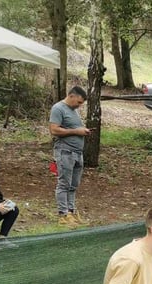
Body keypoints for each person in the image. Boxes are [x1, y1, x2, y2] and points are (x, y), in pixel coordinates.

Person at [49, 85, 91, 226]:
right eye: (78, 102)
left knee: (73, 185)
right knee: (64, 184)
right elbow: (54, 130)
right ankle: (63, 214)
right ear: (71, 96)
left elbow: (73, 127)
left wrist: (82, 131)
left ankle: (71, 212)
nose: (79, 106)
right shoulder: (58, 108)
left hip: (77, 153)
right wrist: (76, 132)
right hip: (65, 152)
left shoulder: (74, 110)